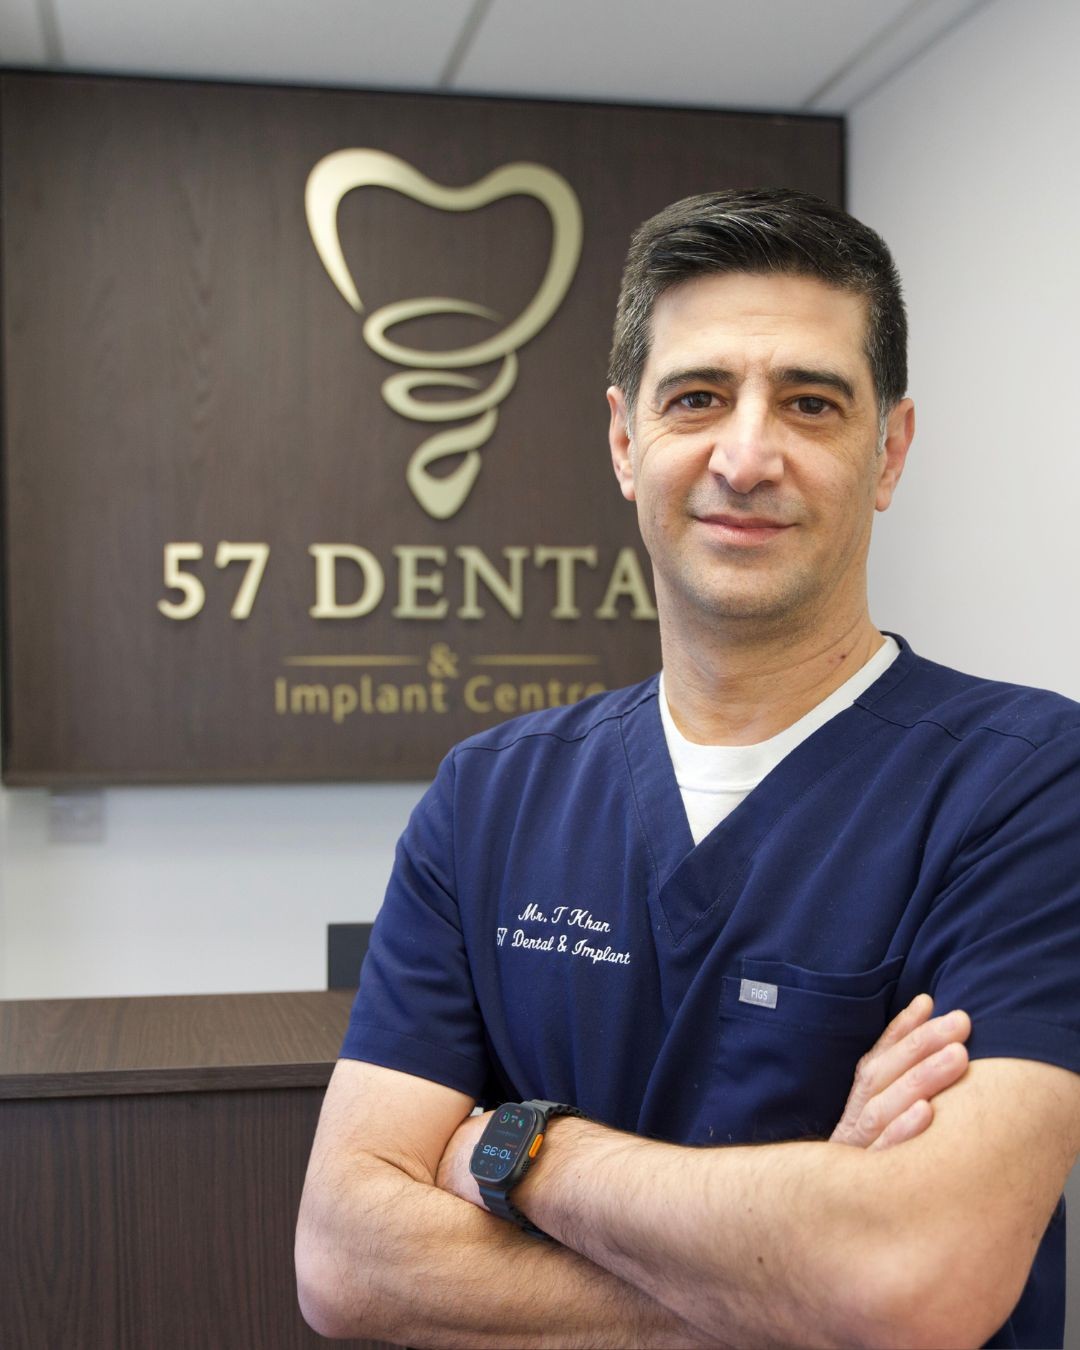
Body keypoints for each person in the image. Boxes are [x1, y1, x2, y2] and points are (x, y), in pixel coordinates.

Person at [295, 189, 1080, 1348]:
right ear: (627, 443)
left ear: (889, 450)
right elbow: (345, 1260)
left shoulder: (1031, 787)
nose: (747, 457)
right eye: (698, 398)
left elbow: (918, 1279)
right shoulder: (489, 798)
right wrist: (798, 1273)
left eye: (810, 403)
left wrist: (524, 1153)